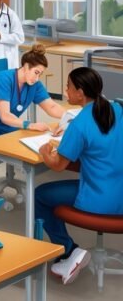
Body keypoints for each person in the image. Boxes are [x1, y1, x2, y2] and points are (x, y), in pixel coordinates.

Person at [35, 67, 123, 285]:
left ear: (81, 92)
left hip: (99, 199)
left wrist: (46, 152)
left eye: (68, 87)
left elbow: (57, 165)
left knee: (39, 195)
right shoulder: (118, 109)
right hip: (120, 192)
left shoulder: (80, 124)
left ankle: (69, 250)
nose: (66, 92)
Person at [0, 44, 67, 138]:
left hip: (8, 127)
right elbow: (5, 116)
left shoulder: (35, 85)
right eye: (36, 72)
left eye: (40, 74)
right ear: (26, 66)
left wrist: (73, 117)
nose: (37, 78)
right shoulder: (3, 79)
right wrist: (30, 125)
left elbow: (52, 107)